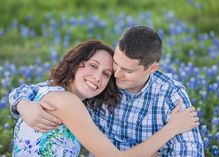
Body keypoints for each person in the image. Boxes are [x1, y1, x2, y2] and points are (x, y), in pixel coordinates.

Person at [9, 26, 204, 156]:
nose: (114, 75)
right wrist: (170, 129)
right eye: (93, 66)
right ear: (77, 64)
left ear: (152, 68)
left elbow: (189, 150)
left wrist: (20, 103)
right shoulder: (67, 101)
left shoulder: (170, 95)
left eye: (106, 73)